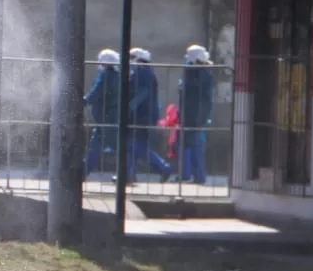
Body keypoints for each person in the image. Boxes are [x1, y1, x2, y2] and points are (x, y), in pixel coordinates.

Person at [125, 48, 172, 184]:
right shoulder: (141, 72)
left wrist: (129, 107)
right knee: (132, 145)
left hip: (142, 115)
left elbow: (142, 93)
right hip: (140, 115)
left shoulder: (143, 72)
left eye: (132, 57)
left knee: (135, 145)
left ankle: (163, 167)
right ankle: (128, 174)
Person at [178, 44, 215, 185]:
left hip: (196, 115)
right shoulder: (195, 71)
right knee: (188, 144)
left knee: (195, 145)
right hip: (191, 113)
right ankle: (189, 174)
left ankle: (198, 175)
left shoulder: (202, 73)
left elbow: (197, 93)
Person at [82, 49, 120, 179]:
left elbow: (97, 91)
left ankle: (83, 172)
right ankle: (83, 172)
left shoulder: (105, 76)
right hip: (111, 115)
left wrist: (84, 101)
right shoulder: (116, 75)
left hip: (105, 115)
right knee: (101, 144)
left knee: (101, 144)